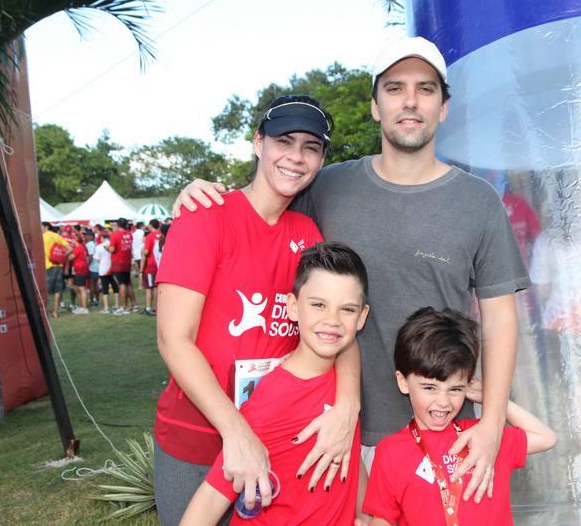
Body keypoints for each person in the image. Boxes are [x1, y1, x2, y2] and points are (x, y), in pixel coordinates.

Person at [173, 36, 530, 502]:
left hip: (441, 428)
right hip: (339, 432)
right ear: (375, 105)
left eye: (425, 89)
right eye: (395, 88)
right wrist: (203, 194)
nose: (410, 101)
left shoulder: (478, 201)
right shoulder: (327, 187)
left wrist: (492, 423)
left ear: (444, 108)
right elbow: (264, 201)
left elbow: (500, 320)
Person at [154, 95, 362, 526]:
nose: (296, 157)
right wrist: (236, 431)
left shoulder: (307, 234)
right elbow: (173, 339)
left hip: (277, 439)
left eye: (310, 147)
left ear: (321, 159)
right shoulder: (205, 216)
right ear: (257, 143)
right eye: (284, 141)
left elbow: (340, 329)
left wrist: (347, 406)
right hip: (197, 440)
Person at [181, 242, 370, 525]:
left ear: (362, 317)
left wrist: (366, 515)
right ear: (293, 307)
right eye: (318, 305)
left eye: (347, 309)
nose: (332, 320)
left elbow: (348, 455)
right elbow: (208, 502)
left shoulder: (345, 387)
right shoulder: (272, 400)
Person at [362, 307, 556, 525]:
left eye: (455, 389)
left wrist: (491, 397)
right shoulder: (390, 451)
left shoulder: (483, 437)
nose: (443, 402)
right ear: (403, 382)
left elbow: (546, 438)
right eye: (430, 388)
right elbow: (382, 518)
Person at [41, 222, 71, 319]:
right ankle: (55, 312)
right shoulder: (57, 236)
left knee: (46, 290)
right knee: (58, 290)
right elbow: (70, 249)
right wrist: (62, 257)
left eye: (41, 226)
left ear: (46, 227)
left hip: (48, 266)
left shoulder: (42, 236)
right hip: (58, 265)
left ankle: (46, 311)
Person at [109, 217, 136, 314]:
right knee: (128, 283)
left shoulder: (114, 235)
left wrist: (107, 248)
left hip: (118, 262)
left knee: (122, 284)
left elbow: (112, 249)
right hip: (127, 261)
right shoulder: (129, 234)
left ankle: (124, 306)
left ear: (117, 225)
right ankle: (134, 305)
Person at [94, 232, 119, 313]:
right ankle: (117, 304)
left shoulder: (99, 247)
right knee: (115, 286)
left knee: (105, 287)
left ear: (102, 238)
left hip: (103, 268)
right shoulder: (112, 245)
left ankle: (106, 307)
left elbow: (97, 258)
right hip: (113, 267)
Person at [141, 218, 161, 316]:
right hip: (159, 264)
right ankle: (156, 307)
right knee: (156, 287)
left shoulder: (150, 236)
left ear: (151, 225)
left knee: (149, 288)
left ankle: (149, 307)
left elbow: (146, 251)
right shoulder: (161, 235)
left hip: (151, 265)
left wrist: (142, 250)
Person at [68, 233, 90, 314]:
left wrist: (69, 250)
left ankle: (84, 308)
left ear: (75, 240)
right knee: (79, 288)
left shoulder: (78, 248)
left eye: (72, 239)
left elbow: (70, 258)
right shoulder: (81, 247)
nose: (71, 241)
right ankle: (82, 307)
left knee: (82, 289)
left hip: (80, 269)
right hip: (80, 269)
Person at [85, 230, 100, 306]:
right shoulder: (94, 243)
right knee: (95, 284)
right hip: (96, 266)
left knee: (92, 284)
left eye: (87, 235)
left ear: (91, 237)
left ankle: (92, 300)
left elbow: (90, 256)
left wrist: (87, 265)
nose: (85, 237)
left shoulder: (90, 244)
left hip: (92, 267)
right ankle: (97, 300)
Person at [132, 221, 145, 289]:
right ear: (141, 226)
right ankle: (142, 284)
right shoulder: (143, 233)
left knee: (140, 270)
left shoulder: (133, 234)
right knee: (143, 270)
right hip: (142, 252)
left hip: (135, 253)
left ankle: (140, 285)